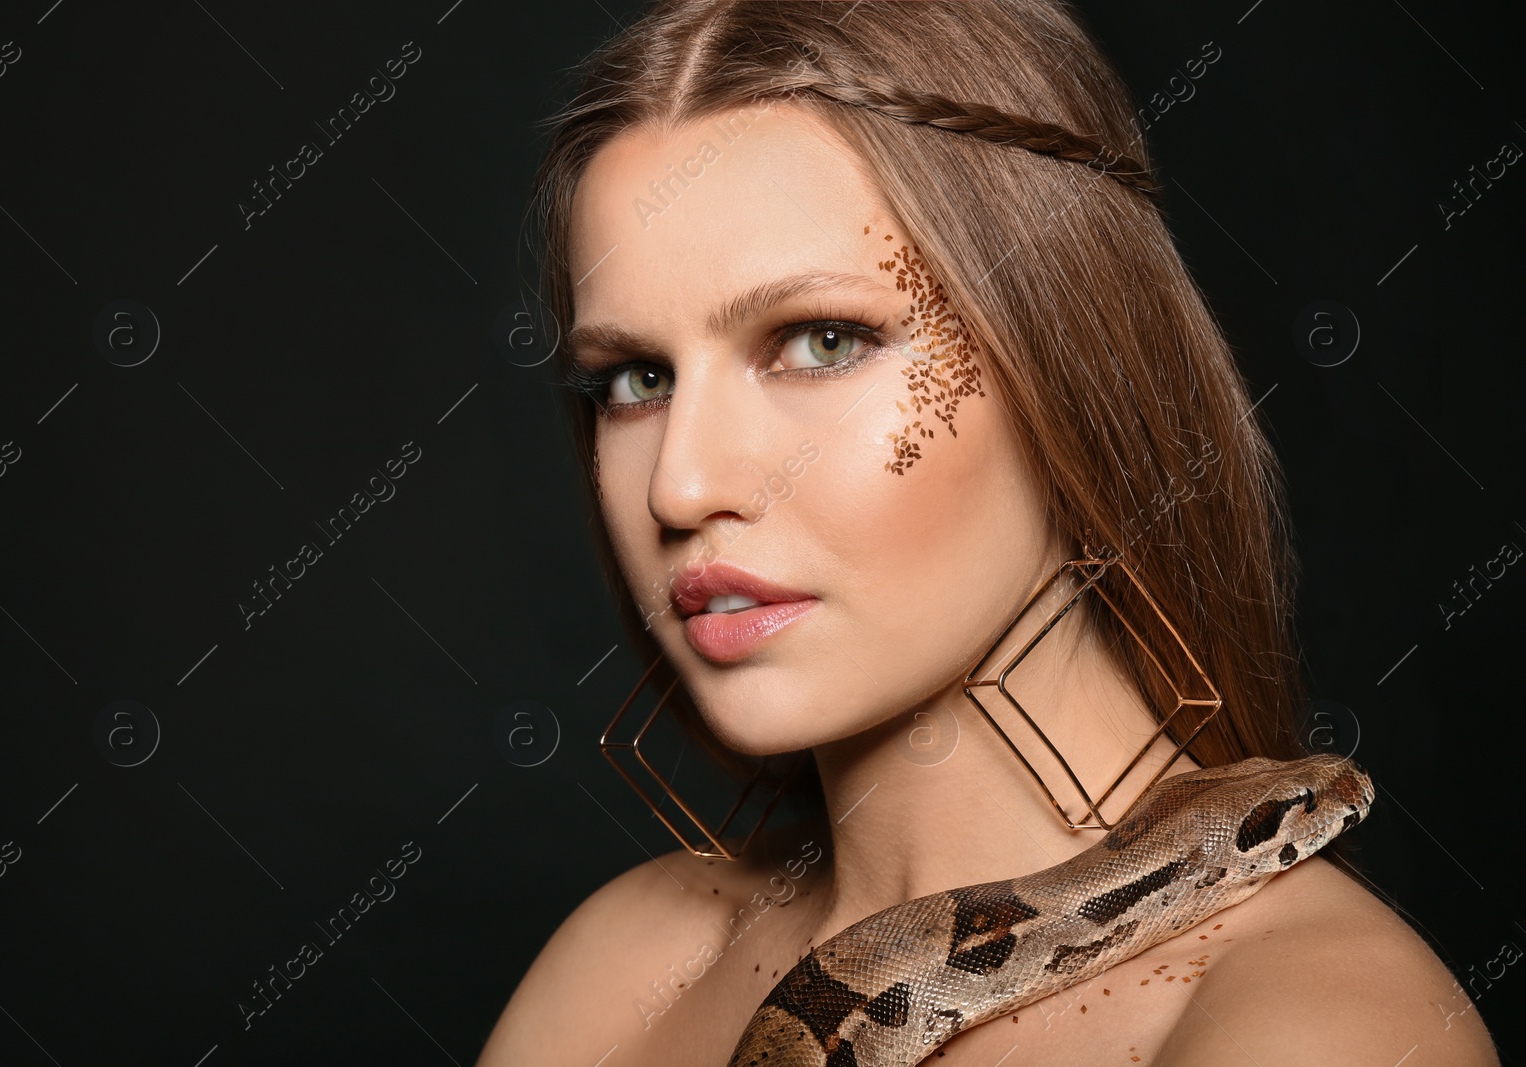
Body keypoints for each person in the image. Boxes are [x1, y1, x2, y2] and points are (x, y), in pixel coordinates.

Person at [478, 2, 1502, 1063]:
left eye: (822, 339)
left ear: (1072, 366)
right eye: (633, 379)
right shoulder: (622, 965)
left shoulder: (1315, 1031)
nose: (680, 485)